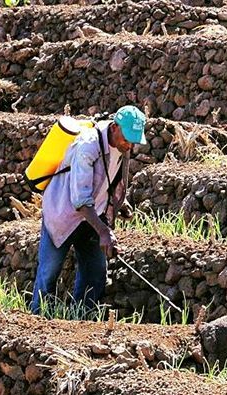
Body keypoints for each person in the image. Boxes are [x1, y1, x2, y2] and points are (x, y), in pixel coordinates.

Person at [30, 105, 147, 315]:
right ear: (114, 128)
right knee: (49, 272)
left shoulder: (123, 148)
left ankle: (82, 320)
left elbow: (110, 179)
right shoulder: (88, 146)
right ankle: (38, 321)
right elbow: (81, 199)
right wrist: (103, 231)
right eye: (127, 138)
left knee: (95, 272)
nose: (129, 145)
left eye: (133, 141)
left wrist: (119, 203)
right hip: (63, 214)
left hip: (93, 216)